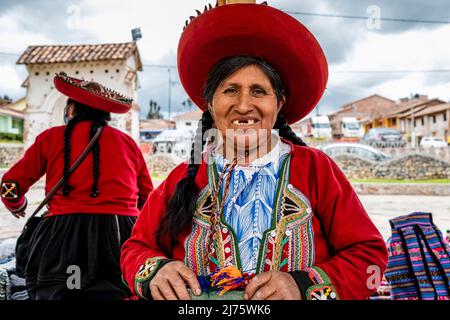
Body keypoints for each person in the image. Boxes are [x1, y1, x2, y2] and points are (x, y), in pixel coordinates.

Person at [121, 1, 387, 300]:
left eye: (259, 91)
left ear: (279, 103)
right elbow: (135, 249)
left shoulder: (315, 169)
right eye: (230, 90)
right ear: (210, 104)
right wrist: (157, 270)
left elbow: (368, 256)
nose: (244, 105)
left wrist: (300, 285)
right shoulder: (184, 177)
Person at [1, 72, 153, 300]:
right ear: (105, 114)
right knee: (120, 292)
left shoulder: (50, 137)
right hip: (120, 233)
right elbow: (149, 198)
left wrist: (17, 204)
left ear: (71, 109)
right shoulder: (128, 143)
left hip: (62, 234)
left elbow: (9, 185)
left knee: (65, 292)